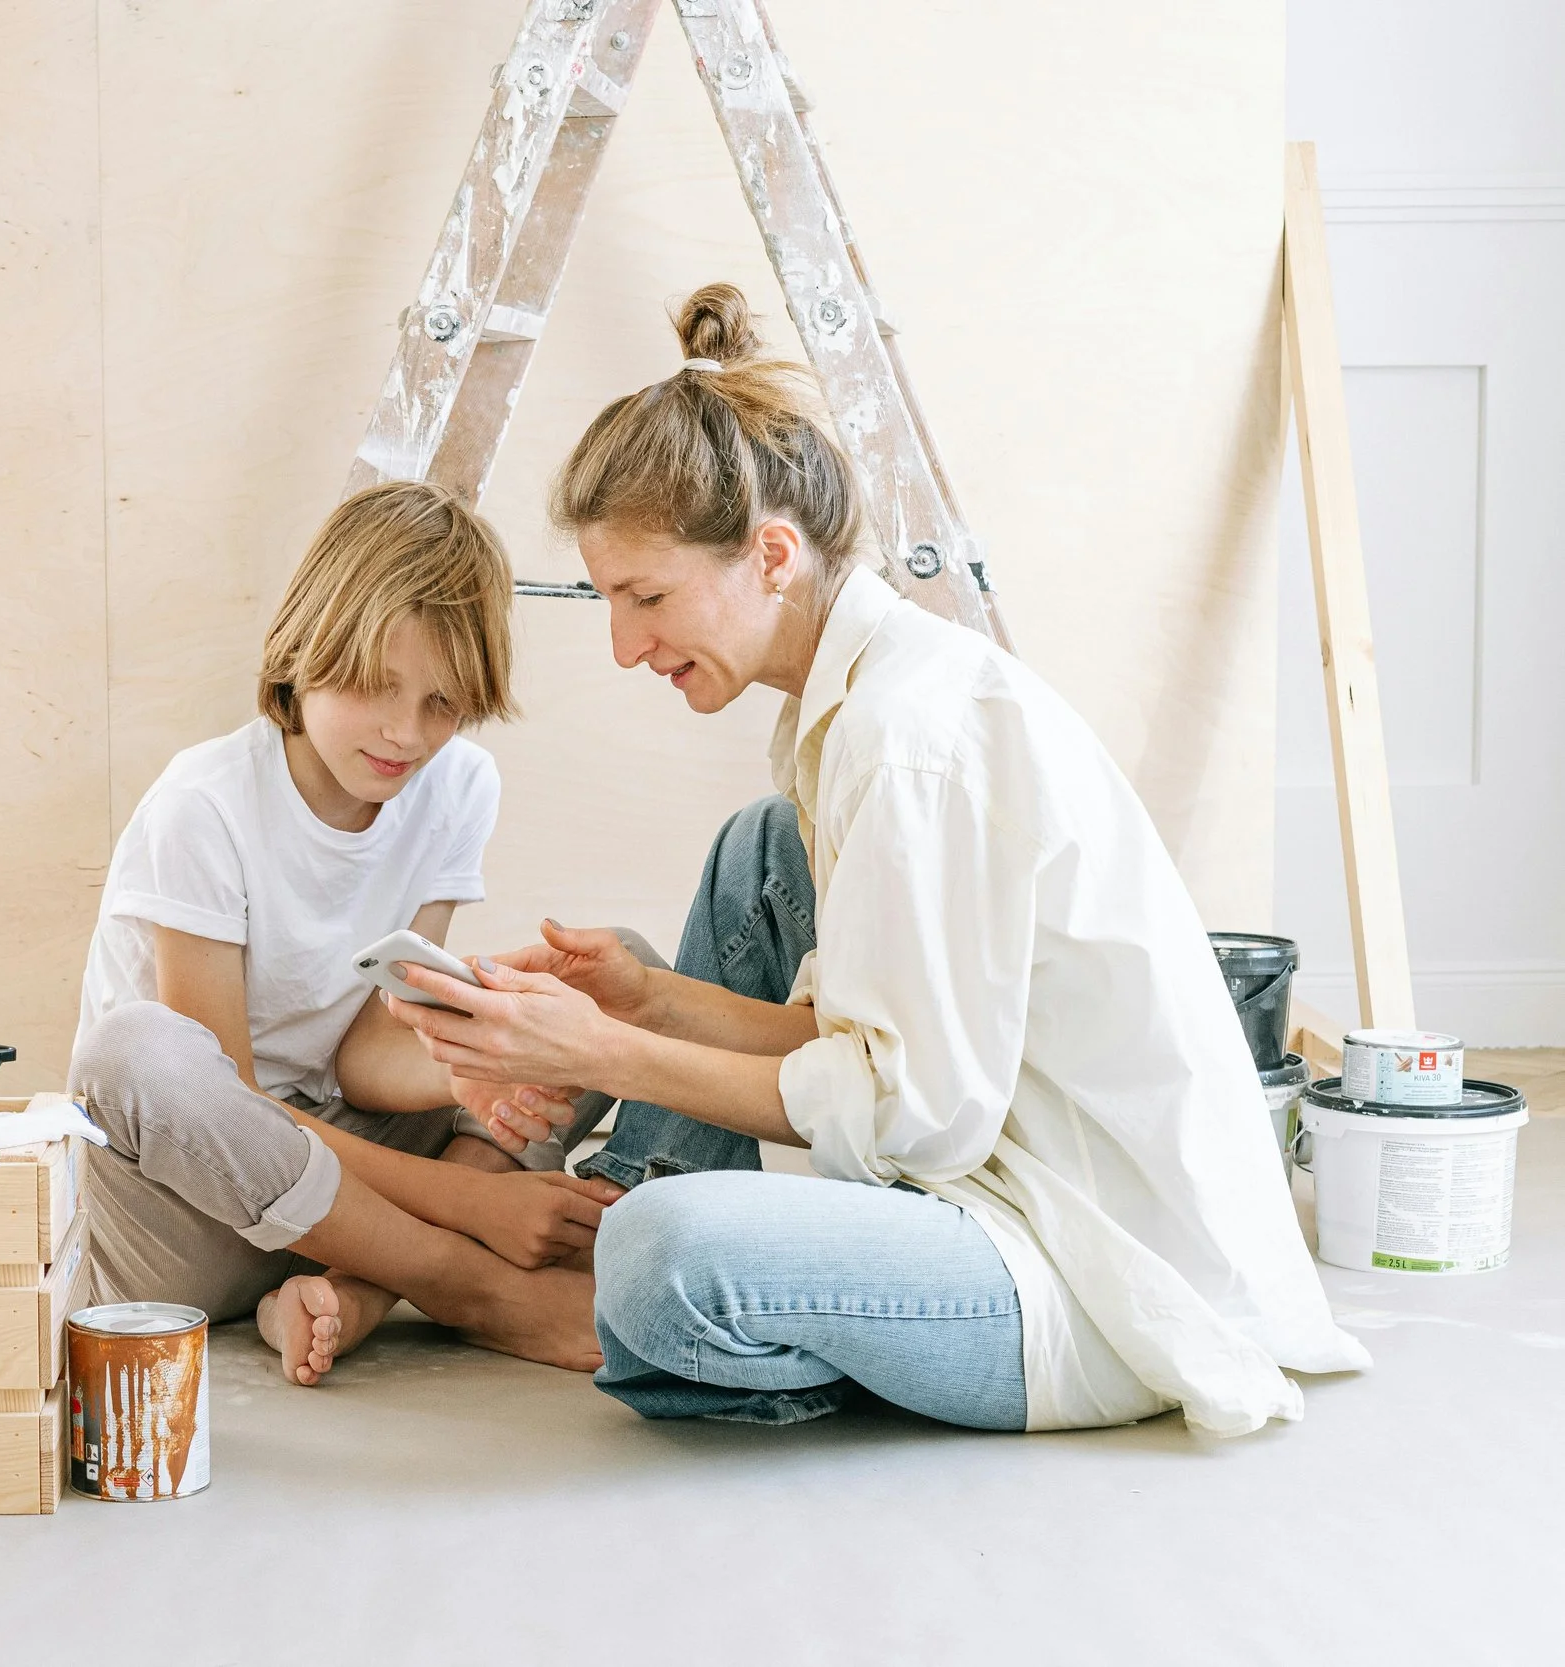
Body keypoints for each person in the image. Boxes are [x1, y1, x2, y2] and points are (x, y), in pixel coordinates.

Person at [385, 284, 1368, 1436]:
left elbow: (915, 1118)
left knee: (662, 1259)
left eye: (645, 596)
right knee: (757, 849)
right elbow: (862, 1045)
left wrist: (611, 1051)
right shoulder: (858, 706)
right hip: (1009, 1155)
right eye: (609, 599)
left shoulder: (906, 744)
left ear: (771, 553)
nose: (623, 644)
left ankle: (652, 1271)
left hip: (1095, 1272)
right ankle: (639, 1231)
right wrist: (645, 999)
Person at [66, 480, 618, 1386]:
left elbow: (367, 1056)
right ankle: (462, 1283)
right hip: (196, 1210)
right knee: (136, 1053)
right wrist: (470, 1200)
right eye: (376, 686)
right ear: (307, 649)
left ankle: (354, 1287)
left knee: (602, 981)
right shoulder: (202, 808)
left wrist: (471, 1063)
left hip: (349, 1174)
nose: (406, 733)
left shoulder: (456, 786)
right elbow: (227, 1105)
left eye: (442, 704)